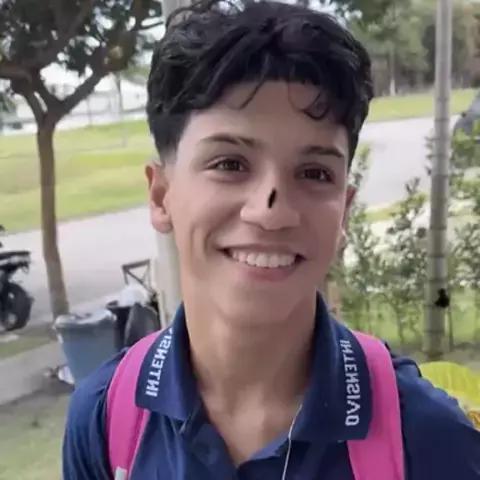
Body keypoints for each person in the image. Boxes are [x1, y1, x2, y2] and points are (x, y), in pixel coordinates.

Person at [62, 0, 480, 478]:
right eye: (230, 164)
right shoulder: (106, 419)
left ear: (343, 210)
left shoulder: (427, 440)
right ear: (161, 196)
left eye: (314, 172)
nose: (271, 210)